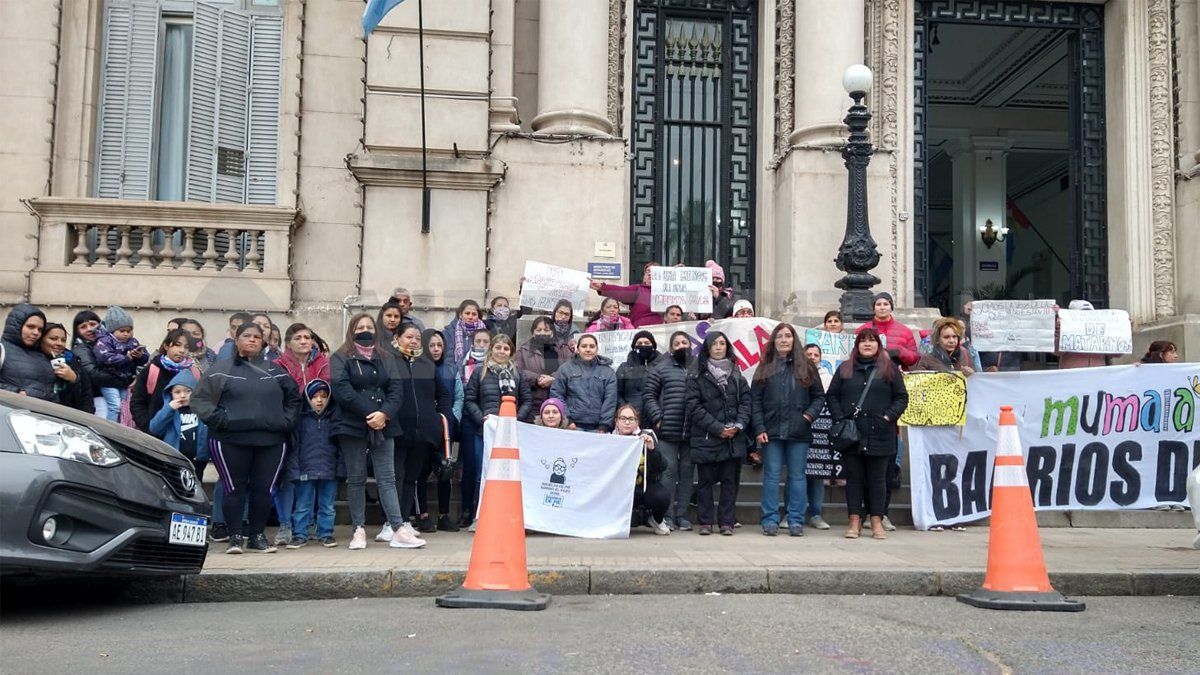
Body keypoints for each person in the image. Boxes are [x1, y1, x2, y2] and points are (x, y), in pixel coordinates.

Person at [191, 322, 302, 554]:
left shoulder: (276, 370)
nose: (252, 340)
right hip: (230, 440)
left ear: (263, 342)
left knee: (264, 490)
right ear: (236, 338)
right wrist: (220, 420)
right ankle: (234, 537)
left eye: (257, 337)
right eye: (247, 336)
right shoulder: (220, 369)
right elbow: (200, 400)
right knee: (234, 488)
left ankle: (257, 536)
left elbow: (294, 398)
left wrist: (285, 422)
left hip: (271, 441)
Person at [328, 313, 422, 550]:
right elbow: (342, 390)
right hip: (352, 424)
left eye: (369, 326)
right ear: (352, 330)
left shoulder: (386, 357)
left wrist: (385, 414)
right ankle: (358, 529)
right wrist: (372, 413)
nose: (365, 330)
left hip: (384, 423)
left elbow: (396, 389)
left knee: (387, 478)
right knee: (357, 478)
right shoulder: (341, 357)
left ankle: (398, 528)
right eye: (360, 326)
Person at [827, 328, 909, 540]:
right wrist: (840, 418)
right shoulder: (846, 368)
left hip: (881, 433)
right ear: (857, 345)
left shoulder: (889, 369)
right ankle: (854, 521)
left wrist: (888, 417)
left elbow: (901, 397)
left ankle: (876, 521)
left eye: (872, 341)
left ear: (878, 345)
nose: (867, 344)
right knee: (854, 479)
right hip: (853, 435)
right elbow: (832, 396)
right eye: (863, 341)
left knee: (878, 480)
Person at [752, 323, 826, 537]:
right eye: (780, 336)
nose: (784, 340)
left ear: (794, 340)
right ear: (773, 341)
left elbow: (819, 396)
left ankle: (795, 520)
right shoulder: (764, 366)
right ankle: (770, 520)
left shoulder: (807, 366)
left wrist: (808, 416)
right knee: (772, 476)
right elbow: (755, 400)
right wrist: (759, 427)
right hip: (771, 431)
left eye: (788, 336)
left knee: (797, 477)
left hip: (799, 431)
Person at [391, 324, 455, 534]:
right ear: (398, 338)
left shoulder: (427, 365)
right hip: (397, 431)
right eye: (409, 337)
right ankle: (390, 523)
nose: (414, 341)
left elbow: (444, 395)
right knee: (395, 477)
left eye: (417, 338)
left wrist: (440, 417)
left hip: (423, 433)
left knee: (411, 478)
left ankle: (404, 522)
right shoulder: (389, 362)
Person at [687, 331, 751, 535]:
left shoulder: (737, 373)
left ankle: (726, 522)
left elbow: (746, 402)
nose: (718, 347)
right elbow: (693, 406)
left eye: (722, 343)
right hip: (707, 436)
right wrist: (717, 428)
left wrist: (739, 425)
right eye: (714, 343)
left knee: (729, 482)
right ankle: (705, 522)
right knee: (705, 482)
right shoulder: (697, 373)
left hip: (732, 438)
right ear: (707, 347)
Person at [644, 330, 694, 530]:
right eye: (677, 343)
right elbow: (649, 395)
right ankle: (666, 516)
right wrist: (657, 417)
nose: (681, 346)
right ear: (671, 348)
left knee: (688, 474)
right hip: (667, 430)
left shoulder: (699, 367)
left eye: (685, 342)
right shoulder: (660, 368)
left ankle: (682, 515)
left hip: (692, 431)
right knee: (669, 473)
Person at [284, 379, 340, 548]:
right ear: (307, 398)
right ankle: (299, 534)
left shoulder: (334, 419)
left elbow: (341, 447)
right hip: (305, 468)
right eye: (315, 396)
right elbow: (294, 448)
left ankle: (326, 533)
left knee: (327, 506)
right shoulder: (299, 420)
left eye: (323, 396)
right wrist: (293, 470)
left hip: (329, 469)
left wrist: (341, 468)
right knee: (302, 505)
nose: (319, 400)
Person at [421, 328, 463, 531]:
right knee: (421, 471)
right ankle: (422, 514)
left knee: (446, 471)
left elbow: (458, 397)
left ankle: (445, 514)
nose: (436, 349)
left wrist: (452, 418)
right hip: (423, 429)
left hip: (446, 428)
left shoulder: (450, 369)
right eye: (432, 345)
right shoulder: (418, 367)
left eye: (439, 345)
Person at [612, 404, 671, 535]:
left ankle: (657, 520)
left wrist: (652, 450)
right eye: (623, 418)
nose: (627, 422)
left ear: (637, 422)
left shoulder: (647, 435)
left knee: (662, 496)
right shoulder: (609, 439)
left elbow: (662, 467)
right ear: (616, 421)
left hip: (643, 486)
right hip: (618, 488)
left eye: (631, 419)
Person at [148, 368, 210, 488]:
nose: (182, 395)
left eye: (188, 391)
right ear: (170, 394)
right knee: (173, 487)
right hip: (173, 458)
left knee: (195, 487)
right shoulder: (170, 410)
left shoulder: (202, 410)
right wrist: (168, 409)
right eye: (177, 392)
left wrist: (205, 454)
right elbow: (154, 428)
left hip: (198, 460)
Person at [455, 328, 491, 527]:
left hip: (491, 420)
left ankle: (481, 509)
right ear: (472, 342)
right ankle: (467, 509)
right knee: (469, 467)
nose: (482, 345)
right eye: (479, 340)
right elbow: (464, 394)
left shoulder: (494, 366)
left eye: (486, 341)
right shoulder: (463, 364)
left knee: (484, 469)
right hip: (471, 419)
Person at [129, 329, 198, 433]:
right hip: (155, 435)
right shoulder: (152, 370)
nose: (182, 350)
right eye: (177, 345)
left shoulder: (193, 371)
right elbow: (137, 402)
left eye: (186, 347)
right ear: (166, 346)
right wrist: (147, 427)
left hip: (185, 436)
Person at [550, 333, 618, 433]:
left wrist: (604, 425)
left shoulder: (608, 372)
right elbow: (557, 394)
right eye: (584, 346)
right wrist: (567, 420)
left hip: (598, 428)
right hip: (572, 426)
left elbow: (610, 400)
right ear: (577, 349)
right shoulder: (565, 369)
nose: (588, 349)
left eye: (592, 346)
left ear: (597, 349)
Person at [92, 305, 149, 420]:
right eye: (122, 331)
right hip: (108, 381)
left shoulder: (133, 342)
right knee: (115, 406)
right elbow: (105, 358)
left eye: (129, 331)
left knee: (124, 407)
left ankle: (121, 427)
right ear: (112, 330)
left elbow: (145, 358)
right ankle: (110, 430)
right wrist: (126, 358)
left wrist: (140, 356)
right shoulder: (103, 341)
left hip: (124, 382)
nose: (126, 334)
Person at [802, 342, 834, 529]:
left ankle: (815, 513)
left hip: (821, 430)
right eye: (809, 354)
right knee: (797, 474)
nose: (813, 357)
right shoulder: (795, 373)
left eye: (816, 355)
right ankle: (793, 512)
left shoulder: (828, 377)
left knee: (817, 474)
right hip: (800, 427)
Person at [516, 316, 571, 421]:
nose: (542, 333)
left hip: (559, 406)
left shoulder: (563, 349)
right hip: (532, 405)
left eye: (546, 330)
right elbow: (517, 371)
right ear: (533, 332)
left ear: (552, 332)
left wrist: (553, 379)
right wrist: (537, 379)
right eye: (538, 330)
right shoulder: (524, 350)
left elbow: (570, 370)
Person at [72, 310, 121, 415]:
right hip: (97, 399)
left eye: (93, 324)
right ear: (77, 331)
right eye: (83, 327)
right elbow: (93, 374)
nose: (90, 329)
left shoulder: (110, 344)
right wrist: (125, 379)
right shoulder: (81, 349)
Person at [589, 261, 663, 327]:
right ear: (644, 276)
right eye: (648, 272)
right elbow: (620, 292)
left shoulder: (668, 292)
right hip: (641, 334)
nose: (650, 274)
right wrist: (601, 287)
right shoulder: (638, 289)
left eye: (655, 272)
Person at [855, 292, 919, 369]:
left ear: (891, 308)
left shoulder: (905, 331)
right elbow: (854, 354)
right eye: (878, 304)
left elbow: (914, 358)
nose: (882, 308)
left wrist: (900, 351)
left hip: (897, 374)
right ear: (874, 308)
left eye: (886, 304)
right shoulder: (862, 330)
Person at [40, 323, 94, 414]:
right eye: (53, 339)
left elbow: (86, 396)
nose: (59, 343)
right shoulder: (32, 360)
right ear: (41, 339)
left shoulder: (73, 361)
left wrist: (74, 379)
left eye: (63, 340)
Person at [1057, 300, 1116, 369]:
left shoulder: (1100, 331)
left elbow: (1115, 354)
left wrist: (1123, 331)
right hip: (1073, 374)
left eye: (1089, 313)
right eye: (1082, 314)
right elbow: (1056, 352)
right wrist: (1060, 330)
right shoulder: (1063, 329)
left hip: (1097, 374)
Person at [616, 331, 660, 418]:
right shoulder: (623, 368)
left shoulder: (661, 366)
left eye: (647, 343)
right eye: (639, 343)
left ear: (653, 346)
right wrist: (626, 410)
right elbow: (617, 393)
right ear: (634, 347)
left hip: (655, 417)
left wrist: (657, 415)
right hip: (630, 418)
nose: (643, 345)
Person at [277, 323, 331, 390]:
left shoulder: (325, 364)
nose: (303, 342)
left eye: (307, 338)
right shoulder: (277, 365)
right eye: (297, 338)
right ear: (288, 344)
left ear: (312, 342)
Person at [443, 299, 488, 378]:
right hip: (454, 377)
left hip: (478, 377)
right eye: (467, 313)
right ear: (460, 315)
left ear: (479, 317)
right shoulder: (448, 333)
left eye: (474, 314)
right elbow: (447, 359)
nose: (470, 317)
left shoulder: (485, 335)